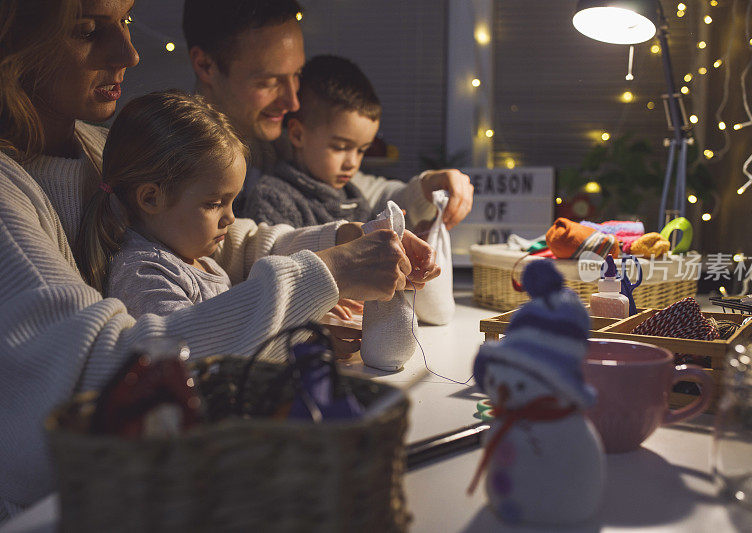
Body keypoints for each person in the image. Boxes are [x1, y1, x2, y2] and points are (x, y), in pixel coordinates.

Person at [0, 0, 438, 518]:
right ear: (12, 41)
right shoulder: (12, 194)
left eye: (123, 21)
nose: (129, 52)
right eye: (88, 29)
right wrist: (330, 273)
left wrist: (344, 241)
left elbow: (226, 246)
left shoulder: (95, 149)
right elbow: (112, 373)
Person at [183, 0, 474, 230]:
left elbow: (364, 191)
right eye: (269, 81)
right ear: (205, 65)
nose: (293, 100)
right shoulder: (176, 161)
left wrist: (427, 187)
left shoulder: (279, 141)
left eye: (296, 75)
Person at [78, 91, 248, 317]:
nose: (231, 218)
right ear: (151, 198)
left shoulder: (201, 261)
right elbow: (190, 342)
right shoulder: (144, 276)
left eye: (232, 202)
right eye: (214, 204)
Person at [241, 54, 394, 227]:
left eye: (361, 150)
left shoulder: (353, 195)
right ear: (298, 135)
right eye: (340, 147)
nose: (352, 163)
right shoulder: (272, 197)